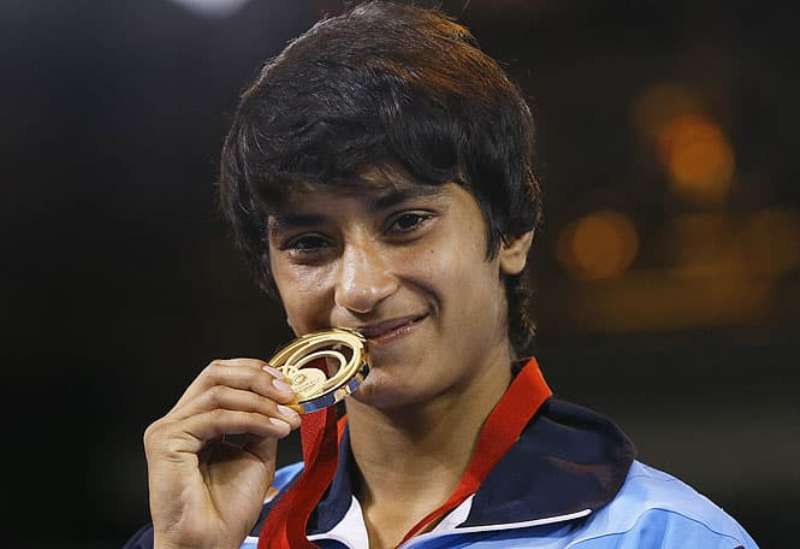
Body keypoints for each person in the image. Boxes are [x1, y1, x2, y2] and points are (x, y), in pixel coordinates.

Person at [125, 2, 757, 548]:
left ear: (511, 231)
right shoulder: (215, 533)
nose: (360, 289)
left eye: (406, 222)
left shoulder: (666, 538)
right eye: (310, 243)